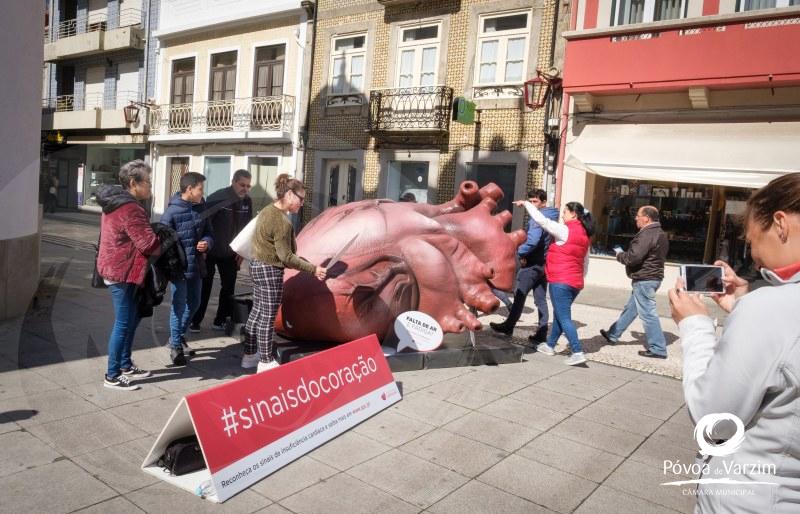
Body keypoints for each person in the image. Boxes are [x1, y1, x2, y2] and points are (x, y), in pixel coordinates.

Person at [668, 173, 800, 512]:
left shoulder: (770, 309)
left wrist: (695, 326)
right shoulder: (771, 305)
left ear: (780, 224)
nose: (752, 251)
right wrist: (742, 301)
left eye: (751, 237)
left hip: (751, 497)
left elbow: (713, 418)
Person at [243, 174, 327, 372]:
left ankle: (249, 354)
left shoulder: (266, 211)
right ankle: (265, 360)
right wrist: (313, 269)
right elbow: (286, 257)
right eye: (301, 198)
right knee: (268, 317)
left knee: (256, 312)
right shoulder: (282, 222)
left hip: (256, 266)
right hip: (270, 270)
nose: (302, 203)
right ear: (289, 195)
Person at [95, 160, 160, 391]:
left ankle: (125, 365)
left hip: (117, 268)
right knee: (123, 323)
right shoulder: (131, 208)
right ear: (134, 183)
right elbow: (148, 243)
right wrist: (163, 237)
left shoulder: (115, 203)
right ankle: (112, 375)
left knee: (131, 319)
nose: (151, 186)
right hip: (122, 271)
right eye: (148, 182)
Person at [515, 200, 593, 365]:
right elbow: (585, 262)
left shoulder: (565, 230)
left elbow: (543, 221)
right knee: (560, 314)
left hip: (561, 281)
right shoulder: (585, 235)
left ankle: (577, 351)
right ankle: (550, 345)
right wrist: (580, 277)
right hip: (575, 282)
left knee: (564, 317)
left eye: (565, 212)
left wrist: (528, 205)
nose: (563, 215)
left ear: (574, 214)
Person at [599, 205, 669, 358]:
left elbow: (633, 258)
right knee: (631, 308)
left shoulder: (647, 234)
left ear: (647, 218)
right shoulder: (660, 233)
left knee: (648, 314)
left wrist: (619, 254)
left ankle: (658, 348)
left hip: (645, 279)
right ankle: (613, 334)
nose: (636, 218)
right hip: (651, 277)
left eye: (638, 215)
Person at [490, 189, 559, 342]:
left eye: (535, 202)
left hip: (532, 263)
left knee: (519, 295)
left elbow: (533, 241)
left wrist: (519, 253)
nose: (533, 205)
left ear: (543, 202)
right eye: (531, 202)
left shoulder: (537, 220)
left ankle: (509, 325)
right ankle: (542, 331)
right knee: (540, 298)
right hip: (544, 263)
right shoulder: (552, 216)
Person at [190, 169, 253, 332]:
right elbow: (203, 222)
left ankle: (220, 320)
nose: (245, 189)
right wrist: (202, 247)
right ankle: (195, 321)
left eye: (248, 186)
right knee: (205, 286)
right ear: (233, 182)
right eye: (242, 185)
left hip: (231, 252)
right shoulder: (218, 197)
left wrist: (242, 251)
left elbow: (247, 229)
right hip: (210, 250)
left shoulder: (247, 202)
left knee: (228, 287)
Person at [161, 172, 213, 366]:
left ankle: (179, 335)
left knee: (195, 302)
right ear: (189, 189)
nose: (202, 192)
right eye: (200, 188)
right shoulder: (171, 212)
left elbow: (209, 232)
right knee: (179, 305)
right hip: (179, 268)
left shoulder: (202, 207)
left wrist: (207, 243)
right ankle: (176, 346)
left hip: (197, 265)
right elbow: (162, 241)